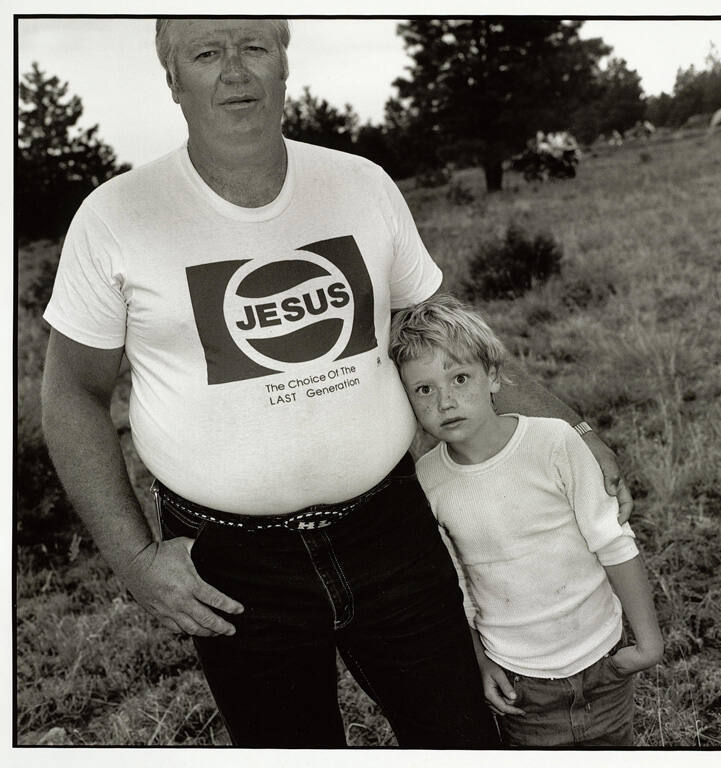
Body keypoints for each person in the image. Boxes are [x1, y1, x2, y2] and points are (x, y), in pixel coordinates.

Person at [40, 18, 631, 748]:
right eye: (205, 52)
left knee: (463, 738)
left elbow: (442, 333)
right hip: (228, 565)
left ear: (285, 64)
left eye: (254, 45)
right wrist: (134, 561)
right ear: (172, 80)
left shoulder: (359, 185)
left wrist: (571, 429)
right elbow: (71, 392)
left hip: (394, 531)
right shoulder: (116, 217)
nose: (235, 70)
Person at [389, 295, 663, 747]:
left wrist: (648, 644)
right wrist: (480, 661)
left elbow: (613, 541)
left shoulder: (553, 443)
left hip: (604, 660)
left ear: (493, 376)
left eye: (460, 378)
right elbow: (451, 588)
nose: (446, 401)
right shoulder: (429, 481)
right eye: (424, 390)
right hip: (522, 683)